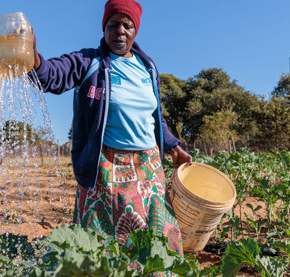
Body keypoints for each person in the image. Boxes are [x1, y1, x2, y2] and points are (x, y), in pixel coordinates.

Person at [29, 0, 192, 255]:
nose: (120, 31)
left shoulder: (147, 68)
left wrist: (172, 146)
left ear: (135, 30)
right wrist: (34, 58)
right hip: (106, 166)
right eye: (113, 24)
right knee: (104, 242)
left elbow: (155, 113)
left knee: (159, 235)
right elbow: (53, 75)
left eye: (127, 25)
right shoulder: (88, 62)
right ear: (104, 27)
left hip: (148, 166)